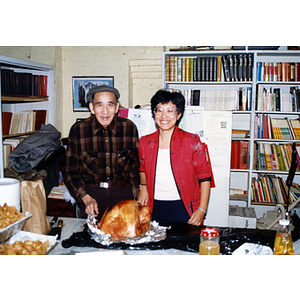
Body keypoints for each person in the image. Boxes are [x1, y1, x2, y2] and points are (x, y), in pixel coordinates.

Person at [138, 90, 214, 226]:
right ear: (154, 113)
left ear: (178, 114)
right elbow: (142, 169)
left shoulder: (191, 141)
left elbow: (205, 177)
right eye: (159, 110)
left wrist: (202, 209)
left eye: (170, 110)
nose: (164, 116)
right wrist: (143, 187)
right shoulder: (145, 142)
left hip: (184, 207)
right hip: (153, 207)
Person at [63, 85, 140, 219]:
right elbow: (70, 171)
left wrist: (136, 197)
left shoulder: (129, 128)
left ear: (117, 108)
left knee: (125, 237)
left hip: (122, 194)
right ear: (92, 108)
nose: (105, 111)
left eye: (110, 105)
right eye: (100, 105)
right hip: (91, 195)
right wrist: (85, 198)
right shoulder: (78, 130)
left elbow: (135, 166)